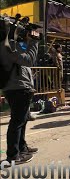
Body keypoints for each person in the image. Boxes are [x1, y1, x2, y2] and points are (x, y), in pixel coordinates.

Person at [0, 31, 39, 164]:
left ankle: (22, 148)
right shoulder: (8, 45)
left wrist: (28, 42)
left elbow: (24, 57)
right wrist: (34, 42)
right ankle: (13, 155)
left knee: (21, 120)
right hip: (18, 88)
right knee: (17, 122)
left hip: (18, 87)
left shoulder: (10, 44)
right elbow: (28, 60)